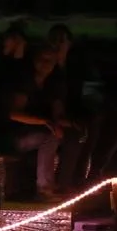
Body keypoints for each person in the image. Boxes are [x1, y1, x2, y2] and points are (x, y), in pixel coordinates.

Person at [47, 23, 117, 190]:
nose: (58, 44)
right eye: (54, 40)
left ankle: (95, 171)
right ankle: (77, 179)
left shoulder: (79, 65)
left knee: (114, 125)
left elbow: (91, 90)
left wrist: (95, 108)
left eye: (62, 40)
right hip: (52, 112)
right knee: (87, 128)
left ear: (69, 43)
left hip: (78, 109)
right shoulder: (45, 62)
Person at [6, 47, 82, 200]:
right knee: (49, 136)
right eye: (41, 59)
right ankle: (45, 188)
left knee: (73, 136)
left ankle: (66, 183)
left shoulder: (53, 85)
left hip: (40, 132)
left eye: (50, 61)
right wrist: (44, 122)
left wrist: (70, 124)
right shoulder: (25, 82)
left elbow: (57, 114)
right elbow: (14, 114)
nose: (45, 64)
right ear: (34, 61)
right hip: (17, 135)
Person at [0, 22, 29, 144]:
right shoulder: (1, 67)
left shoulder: (22, 69)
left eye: (8, 39)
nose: (4, 42)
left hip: (10, 125)